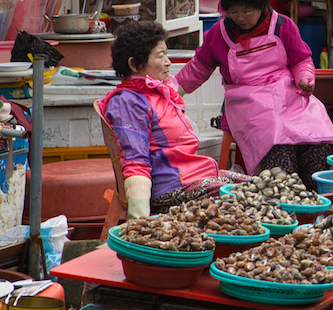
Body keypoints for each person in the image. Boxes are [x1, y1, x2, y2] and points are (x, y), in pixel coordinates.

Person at [175, 0, 333, 188]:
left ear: (261, 6)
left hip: (289, 94)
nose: (240, 17)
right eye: (234, 12)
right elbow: (198, 68)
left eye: (247, 11)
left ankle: (316, 192)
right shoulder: (219, 34)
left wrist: (305, 79)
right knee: (277, 139)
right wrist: (173, 91)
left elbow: (301, 60)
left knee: (318, 135)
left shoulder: (283, 25)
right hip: (247, 100)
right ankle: (284, 194)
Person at [99, 22, 247, 216]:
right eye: (161, 56)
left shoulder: (158, 92)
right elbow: (135, 161)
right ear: (134, 64)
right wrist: (140, 220)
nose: (168, 62)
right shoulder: (128, 102)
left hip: (194, 174)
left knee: (263, 185)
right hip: (170, 187)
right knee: (245, 197)